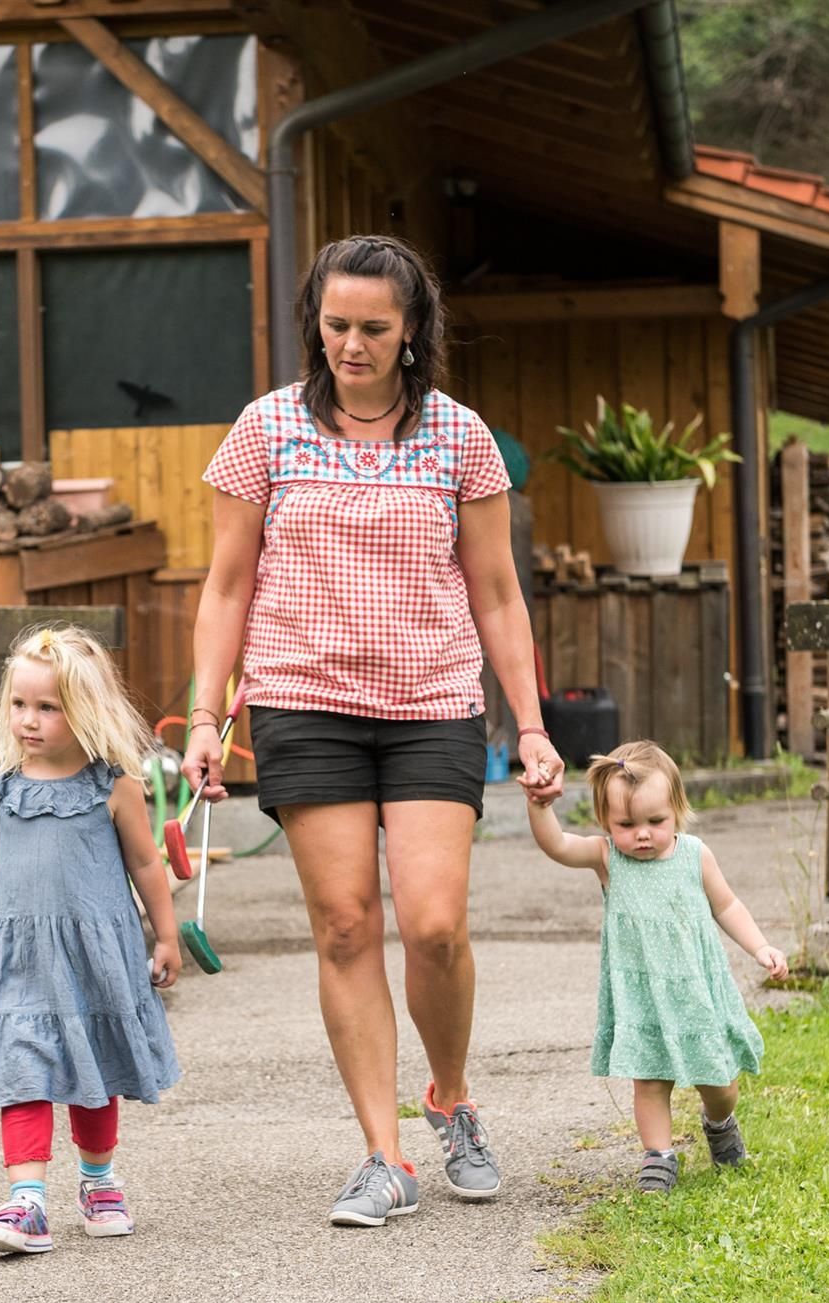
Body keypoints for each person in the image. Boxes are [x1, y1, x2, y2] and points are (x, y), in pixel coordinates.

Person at [183, 234, 564, 1228]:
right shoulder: (264, 431)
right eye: (335, 324)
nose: (350, 345)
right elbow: (226, 585)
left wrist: (529, 724)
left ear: (411, 332)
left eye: (372, 329)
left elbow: (495, 592)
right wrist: (201, 711)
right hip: (302, 700)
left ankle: (448, 1095)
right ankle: (382, 1153)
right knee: (345, 923)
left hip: (431, 700)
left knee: (433, 923)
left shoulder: (456, 437)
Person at [0, 624, 181, 1255]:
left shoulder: (112, 783)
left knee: (93, 1065)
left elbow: (144, 864)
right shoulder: (1, 779)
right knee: (23, 1067)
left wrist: (165, 937)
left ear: (82, 709)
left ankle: (98, 1179)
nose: (29, 720)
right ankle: (26, 1203)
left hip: (94, 956)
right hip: (24, 955)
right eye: (20, 705)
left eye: (47, 707)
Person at [525, 741, 787, 1192]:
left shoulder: (694, 856)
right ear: (606, 821)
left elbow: (727, 906)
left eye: (655, 822)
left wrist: (760, 947)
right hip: (643, 996)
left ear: (678, 811)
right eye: (626, 824)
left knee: (720, 1082)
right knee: (649, 1081)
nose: (641, 834)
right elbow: (557, 845)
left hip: (696, 991)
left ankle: (719, 1123)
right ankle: (659, 1156)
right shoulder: (609, 858)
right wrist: (540, 805)